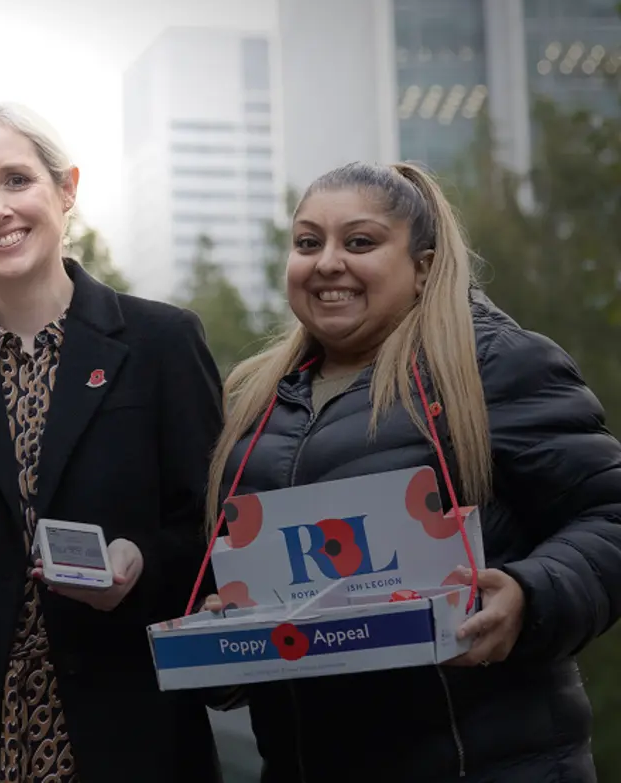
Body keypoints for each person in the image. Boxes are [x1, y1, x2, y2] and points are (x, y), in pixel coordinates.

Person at [202, 161, 621, 782]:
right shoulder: (257, 403)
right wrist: (229, 629)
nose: (327, 262)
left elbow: (609, 514)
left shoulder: (490, 364)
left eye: (361, 242)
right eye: (308, 242)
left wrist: (529, 595)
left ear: (423, 266)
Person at [0, 102, 225, 782]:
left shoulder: (162, 344)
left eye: (17, 180)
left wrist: (140, 563)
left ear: (66, 188)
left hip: (132, 736)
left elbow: (214, 535)